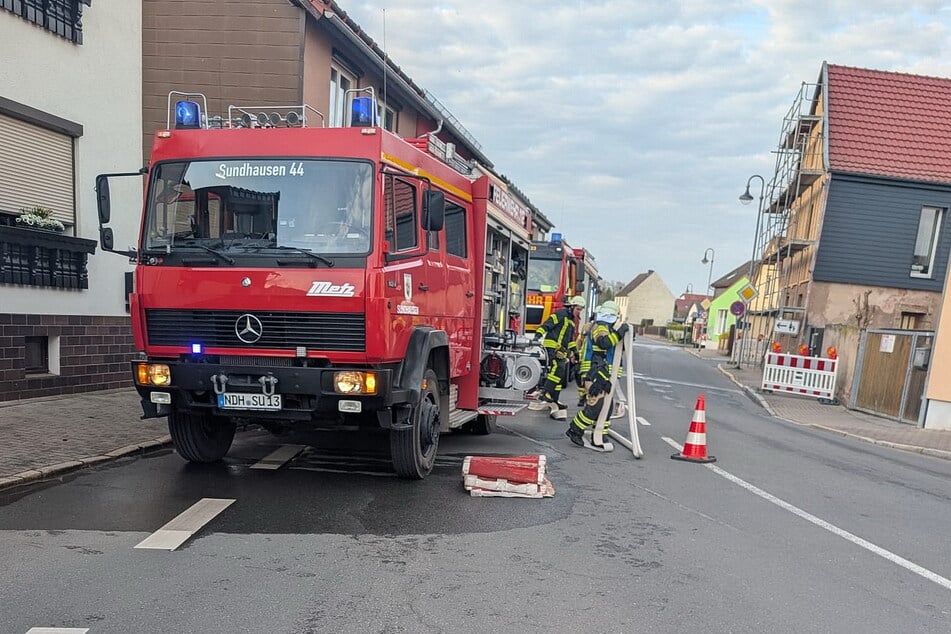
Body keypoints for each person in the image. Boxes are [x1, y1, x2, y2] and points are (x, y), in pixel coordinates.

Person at [566, 300, 629, 447]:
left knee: (607, 406)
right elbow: (603, 343)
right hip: (594, 373)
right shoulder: (599, 327)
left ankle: (599, 434)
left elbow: (616, 349)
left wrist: (624, 336)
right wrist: (620, 333)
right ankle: (575, 429)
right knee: (596, 404)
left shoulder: (609, 328)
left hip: (604, 374)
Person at [527, 295, 586, 420]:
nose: (579, 312)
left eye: (581, 310)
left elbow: (570, 340)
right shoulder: (561, 314)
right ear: (571, 307)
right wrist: (537, 336)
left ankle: (555, 399)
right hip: (552, 346)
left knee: (561, 374)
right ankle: (546, 393)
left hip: (561, 349)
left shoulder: (571, 321)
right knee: (558, 368)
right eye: (578, 309)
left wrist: (575, 352)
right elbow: (547, 324)